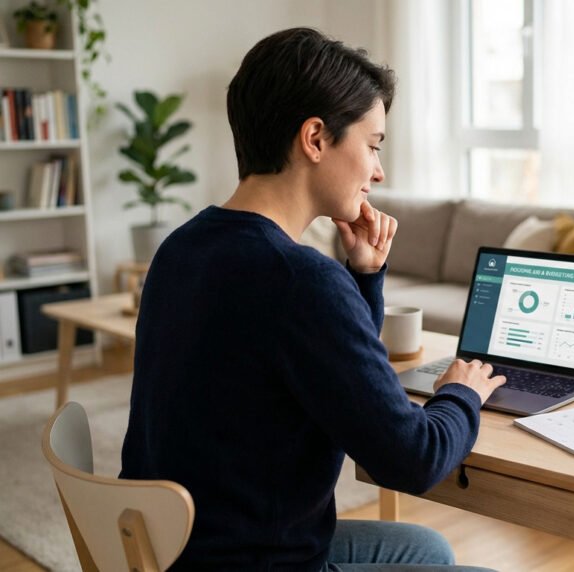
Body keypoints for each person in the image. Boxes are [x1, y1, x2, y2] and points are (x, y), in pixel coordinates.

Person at [120, 27, 505, 571]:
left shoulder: (181, 248)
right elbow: (414, 461)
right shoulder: (298, 279)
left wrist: (364, 276)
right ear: (316, 138)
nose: (379, 171)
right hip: (258, 560)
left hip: (182, 547)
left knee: (428, 549)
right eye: (372, 145)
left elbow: (339, 374)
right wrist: (460, 394)